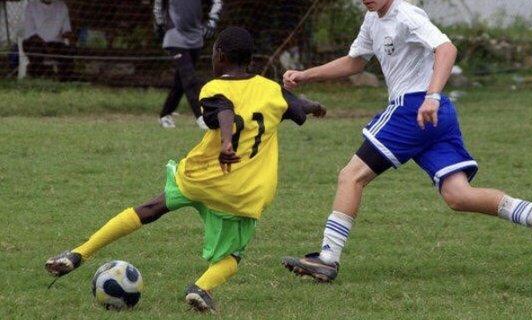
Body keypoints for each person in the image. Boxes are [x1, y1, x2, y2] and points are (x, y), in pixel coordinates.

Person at [281, 0, 532, 283]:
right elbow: (356, 61)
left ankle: (327, 257)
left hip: (416, 107)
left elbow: (446, 49)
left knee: (351, 176)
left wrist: (429, 96)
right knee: (457, 195)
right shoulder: (373, 19)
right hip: (435, 115)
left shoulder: (407, 15)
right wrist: (307, 75)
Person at [45, 26, 326, 312]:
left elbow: (225, 111)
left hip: (202, 176)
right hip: (242, 191)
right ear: (251, 60)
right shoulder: (273, 90)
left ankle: (78, 254)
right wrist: (316, 107)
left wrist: (227, 142)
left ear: (220, 56)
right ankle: (201, 288)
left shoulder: (214, 88)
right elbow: (300, 105)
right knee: (232, 258)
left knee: (150, 209)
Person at [154, 0, 223, 129]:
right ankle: (201, 117)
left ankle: (165, 115)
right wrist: (160, 26)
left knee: (181, 79)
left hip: (195, 37)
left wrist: (211, 22)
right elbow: (159, 6)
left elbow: (216, 2)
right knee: (190, 77)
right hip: (174, 36)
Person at [23, 0, 76, 81]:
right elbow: (30, 33)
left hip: (55, 44)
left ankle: (65, 82)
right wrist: (46, 47)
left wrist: (72, 40)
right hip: (35, 42)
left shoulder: (61, 5)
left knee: (68, 53)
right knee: (35, 51)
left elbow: (66, 30)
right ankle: (37, 79)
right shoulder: (31, 6)